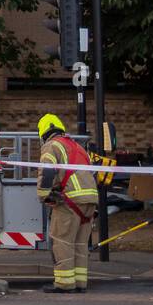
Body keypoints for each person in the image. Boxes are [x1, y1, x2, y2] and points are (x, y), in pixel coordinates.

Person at [36, 114, 98, 293]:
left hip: (70, 201)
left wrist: (44, 196)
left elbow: (47, 172)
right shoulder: (77, 146)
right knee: (79, 244)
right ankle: (80, 283)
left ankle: (64, 284)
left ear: (43, 133)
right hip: (89, 199)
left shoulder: (51, 146)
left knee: (62, 242)